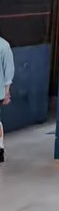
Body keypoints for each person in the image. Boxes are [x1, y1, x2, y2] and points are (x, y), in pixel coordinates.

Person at [0, 34, 13, 163]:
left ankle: (0, 148)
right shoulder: (4, 45)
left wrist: (6, 92)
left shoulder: (3, 46)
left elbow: (8, 70)